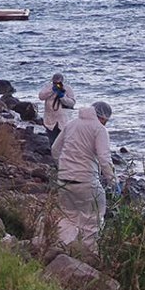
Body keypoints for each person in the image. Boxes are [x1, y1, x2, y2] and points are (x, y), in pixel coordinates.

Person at [51, 101, 117, 254]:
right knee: (93, 220)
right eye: (107, 120)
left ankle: (62, 250)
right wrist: (113, 181)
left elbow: (55, 149)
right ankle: (89, 257)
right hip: (86, 182)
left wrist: (63, 168)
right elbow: (104, 158)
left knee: (68, 218)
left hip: (64, 181)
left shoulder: (71, 124)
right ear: (103, 117)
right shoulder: (99, 130)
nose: (106, 123)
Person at [38, 73, 76, 146]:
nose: (57, 84)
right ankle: (52, 155)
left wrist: (62, 96)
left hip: (63, 120)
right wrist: (51, 91)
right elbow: (41, 97)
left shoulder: (67, 89)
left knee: (62, 142)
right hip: (50, 119)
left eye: (58, 83)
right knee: (52, 141)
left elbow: (72, 103)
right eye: (55, 83)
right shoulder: (48, 87)